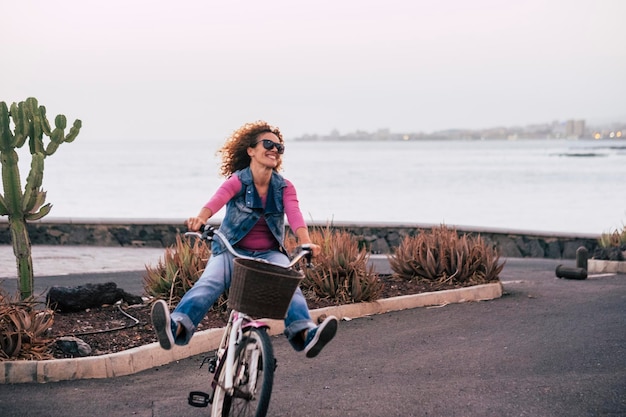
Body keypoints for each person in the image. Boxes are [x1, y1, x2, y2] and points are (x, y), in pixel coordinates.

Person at [151, 120, 338, 358]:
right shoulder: (238, 180)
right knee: (209, 283)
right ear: (251, 150)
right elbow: (218, 198)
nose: (274, 150)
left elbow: (295, 214)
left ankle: (306, 334)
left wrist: (306, 242)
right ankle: (175, 327)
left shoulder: (284, 187)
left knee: (290, 286)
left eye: (279, 147)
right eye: (268, 144)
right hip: (232, 251)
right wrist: (200, 218)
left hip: (269, 255)